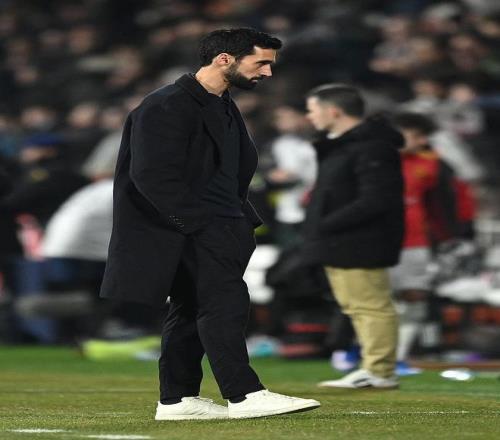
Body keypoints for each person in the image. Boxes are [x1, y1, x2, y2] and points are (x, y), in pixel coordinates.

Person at [100, 28, 320, 420]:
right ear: (224, 59)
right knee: (225, 304)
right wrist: (198, 224)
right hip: (196, 228)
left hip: (223, 224)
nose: (268, 73)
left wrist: (237, 222)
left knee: (191, 309)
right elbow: (151, 175)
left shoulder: (222, 103)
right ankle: (244, 394)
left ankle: (177, 399)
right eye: (261, 63)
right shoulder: (165, 105)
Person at [303, 84, 404, 389]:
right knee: (356, 307)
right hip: (342, 239)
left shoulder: (371, 147)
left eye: (313, 110)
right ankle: (373, 368)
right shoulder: (344, 146)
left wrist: (326, 223)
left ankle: (380, 371)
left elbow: (377, 199)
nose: (310, 117)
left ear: (334, 111)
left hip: (361, 240)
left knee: (370, 306)